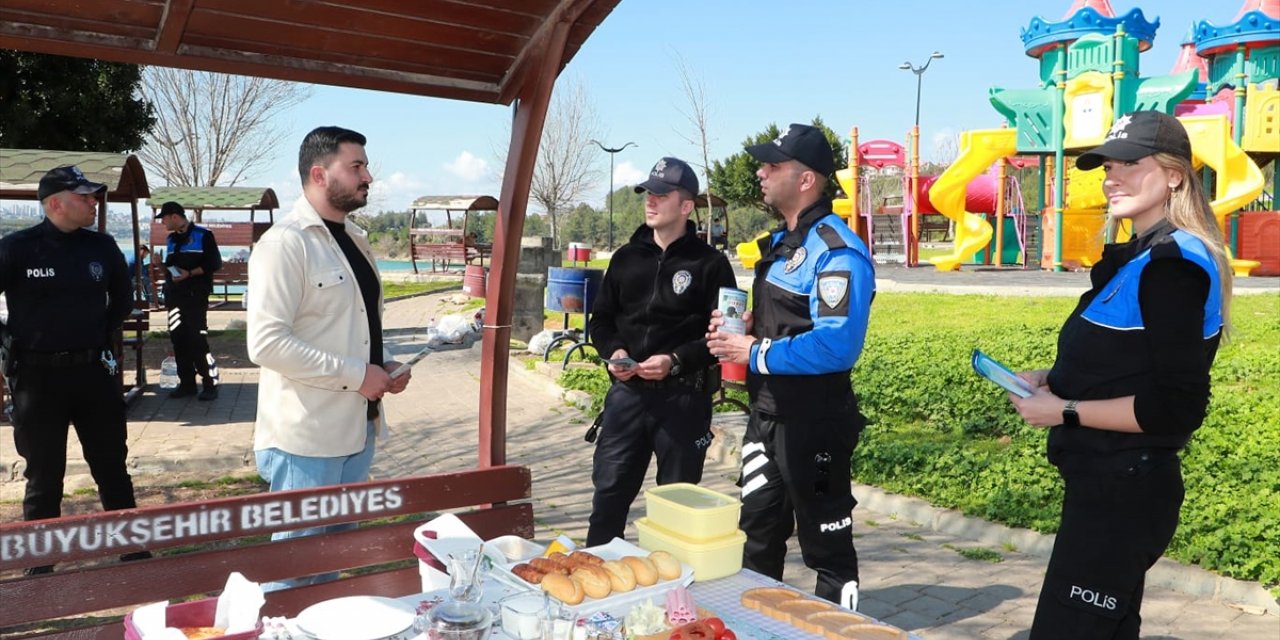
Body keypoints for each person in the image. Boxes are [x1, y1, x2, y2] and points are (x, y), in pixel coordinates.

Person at [1009, 111, 1232, 639]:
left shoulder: (1170, 265)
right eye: (1108, 165)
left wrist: (1063, 410)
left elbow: (1175, 406)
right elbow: (1129, 363)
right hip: (1108, 487)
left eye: (1130, 163)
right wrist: (1052, 377)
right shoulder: (1143, 257)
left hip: (1124, 491)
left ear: (1175, 174)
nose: (1112, 177)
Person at [707, 124, 876, 609]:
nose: (760, 172)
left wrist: (754, 351)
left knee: (827, 550)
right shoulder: (782, 243)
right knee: (756, 535)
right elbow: (788, 322)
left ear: (806, 180)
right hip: (765, 417)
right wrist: (742, 328)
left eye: (772, 165)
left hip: (815, 425)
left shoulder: (836, 248)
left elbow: (837, 346)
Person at [246, 126, 410, 585]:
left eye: (365, 165)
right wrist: (359, 375)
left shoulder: (354, 239)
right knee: (295, 576)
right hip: (305, 442)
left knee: (333, 569)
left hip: (357, 431)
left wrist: (386, 364)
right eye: (356, 166)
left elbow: (355, 324)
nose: (368, 177)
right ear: (319, 174)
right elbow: (266, 343)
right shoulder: (285, 244)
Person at [0, 165, 148, 573]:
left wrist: (96, 334)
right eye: (83, 196)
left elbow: (122, 299)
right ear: (54, 203)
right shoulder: (17, 248)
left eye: (92, 196)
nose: (92, 202)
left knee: (111, 465)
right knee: (44, 473)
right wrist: (6, 343)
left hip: (93, 375)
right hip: (36, 378)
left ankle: (133, 548)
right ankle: (41, 558)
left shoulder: (101, 248)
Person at [585, 156, 737, 547]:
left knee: (677, 512)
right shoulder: (624, 260)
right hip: (626, 399)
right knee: (608, 501)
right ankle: (597, 590)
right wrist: (614, 350)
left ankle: (675, 603)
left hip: (684, 403)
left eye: (661, 194)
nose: (650, 201)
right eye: (647, 193)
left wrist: (675, 361)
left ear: (686, 206)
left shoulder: (711, 265)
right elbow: (599, 321)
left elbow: (725, 338)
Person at [157, 201, 222, 400]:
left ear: (175, 216)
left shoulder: (203, 236)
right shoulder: (170, 240)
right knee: (178, 340)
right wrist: (163, 268)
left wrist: (190, 274)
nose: (163, 223)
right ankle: (187, 384)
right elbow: (172, 266)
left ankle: (210, 384)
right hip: (174, 298)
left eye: (165, 218)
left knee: (198, 341)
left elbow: (214, 263)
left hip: (195, 298)